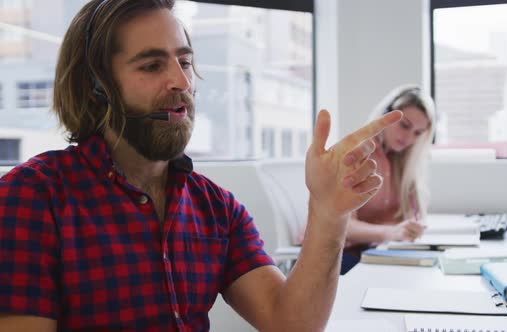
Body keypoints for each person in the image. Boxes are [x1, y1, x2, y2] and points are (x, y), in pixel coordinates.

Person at [0, 0, 402, 331]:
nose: (181, 82)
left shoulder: (217, 208)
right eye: (152, 65)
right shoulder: (32, 197)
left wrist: (330, 215)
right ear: (96, 88)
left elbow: (291, 322)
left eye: (185, 62)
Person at [341, 85, 436, 273]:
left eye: (418, 133)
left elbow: (409, 218)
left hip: (377, 251)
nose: (409, 137)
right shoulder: (355, 155)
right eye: (404, 125)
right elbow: (342, 226)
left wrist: (410, 228)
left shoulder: (403, 162)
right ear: (386, 116)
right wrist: (391, 232)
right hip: (342, 254)